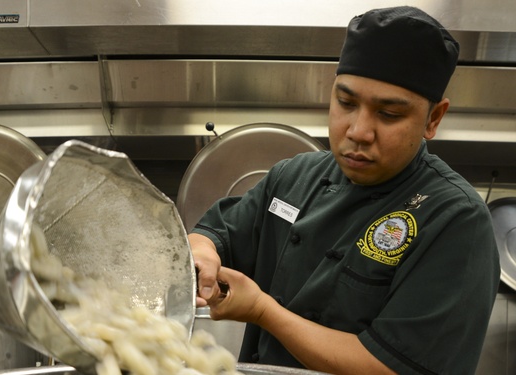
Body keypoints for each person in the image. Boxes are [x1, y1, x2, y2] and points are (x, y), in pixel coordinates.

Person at [189, 6, 500, 375]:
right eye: (347, 103)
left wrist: (262, 311)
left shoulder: (455, 219)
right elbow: (213, 235)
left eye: (389, 114)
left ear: (433, 118)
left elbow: (390, 367)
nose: (358, 131)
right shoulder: (293, 177)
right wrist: (201, 255)